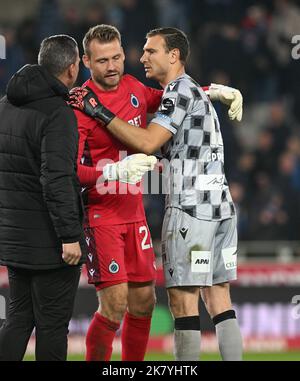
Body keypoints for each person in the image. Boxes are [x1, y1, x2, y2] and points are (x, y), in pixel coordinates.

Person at [70, 27, 243, 361]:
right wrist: (110, 171)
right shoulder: (78, 104)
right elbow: (69, 170)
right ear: (86, 61)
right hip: (107, 215)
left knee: (165, 302)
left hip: (178, 215)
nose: (119, 64)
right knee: (120, 305)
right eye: (103, 60)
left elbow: (161, 122)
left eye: (118, 57)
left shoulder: (135, 88)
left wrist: (211, 91)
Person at [0, 35, 86, 361]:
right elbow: (57, 179)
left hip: (13, 237)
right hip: (50, 243)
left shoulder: (5, 105)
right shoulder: (58, 114)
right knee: (52, 326)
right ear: (71, 68)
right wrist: (69, 235)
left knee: (18, 318)